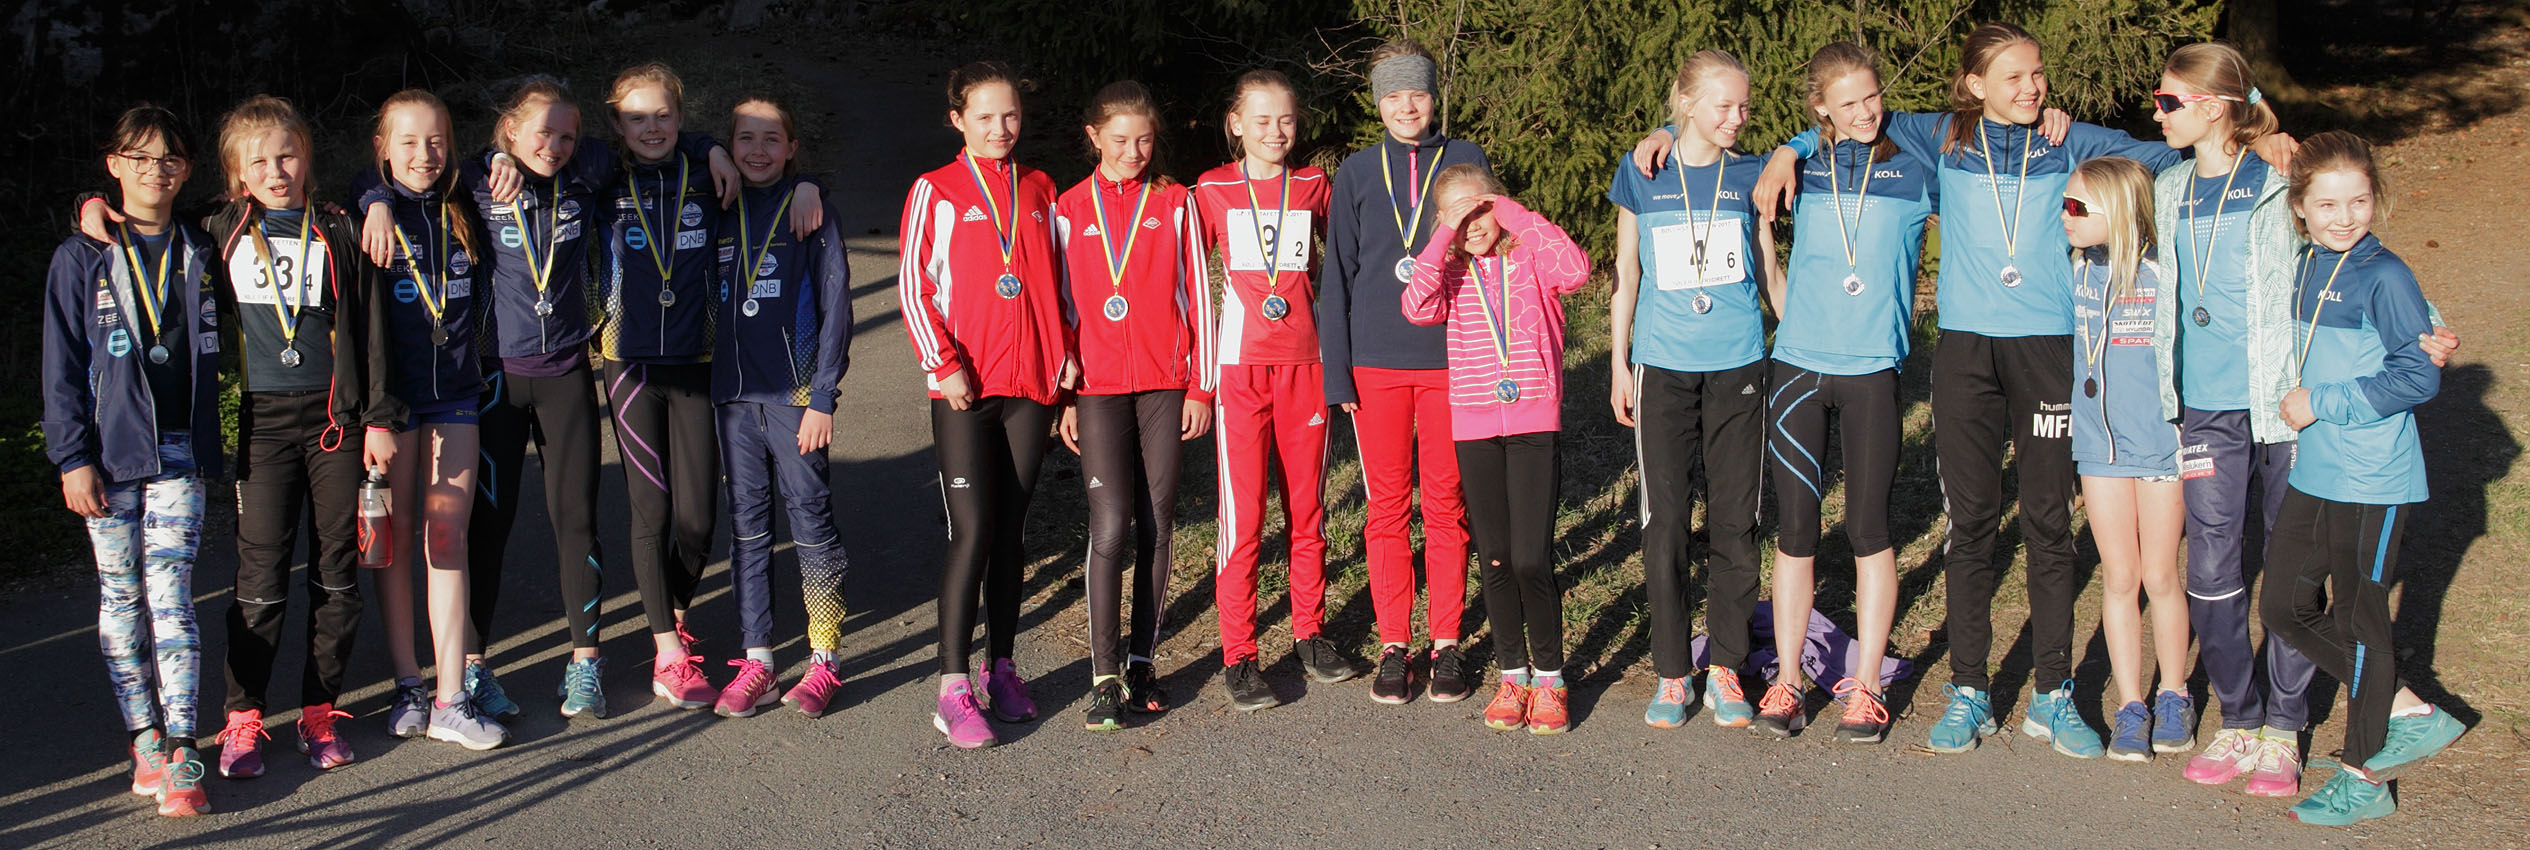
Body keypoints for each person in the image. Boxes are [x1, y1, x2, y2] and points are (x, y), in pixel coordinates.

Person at [2146, 42, 2457, 793]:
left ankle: (2284, 731)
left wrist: (2434, 328)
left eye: (2167, 101)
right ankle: (2239, 718)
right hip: (2201, 406)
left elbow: (2348, 262)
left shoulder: (2280, 182)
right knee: (2211, 568)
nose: (2155, 113)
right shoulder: (2168, 184)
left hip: (2283, 406)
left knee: (2294, 583)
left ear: (2213, 106)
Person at [2259, 131, 2466, 826]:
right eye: (2327, 204)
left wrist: (2320, 402)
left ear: (2376, 198)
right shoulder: (2307, 262)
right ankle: (2404, 708)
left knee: (2359, 618)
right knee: (2284, 607)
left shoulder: (2385, 272)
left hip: (2373, 476)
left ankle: (2364, 775)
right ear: (2299, 207)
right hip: (2319, 468)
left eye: (2359, 201)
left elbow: (2416, 376)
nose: (2344, 217)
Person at [43, 105, 223, 816]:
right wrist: (70, 458)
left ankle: (181, 748)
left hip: (180, 446)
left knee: (172, 597)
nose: (157, 170)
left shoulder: (202, 242)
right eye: (140, 157)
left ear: (187, 167)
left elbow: (262, 198)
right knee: (121, 598)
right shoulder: (79, 256)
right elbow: (61, 367)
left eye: (170, 157)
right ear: (113, 164)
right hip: (107, 454)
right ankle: (143, 737)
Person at [1753, 43, 1924, 744]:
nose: (1865, 111)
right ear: (1820, 106)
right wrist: (1785, 150)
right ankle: (1788, 681)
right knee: (1796, 532)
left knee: (1868, 530)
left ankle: (1867, 686)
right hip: (1798, 369)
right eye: (1847, 102)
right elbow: (1706, 144)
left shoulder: (1916, 166)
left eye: (1872, 96)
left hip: (1872, 371)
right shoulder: (1803, 166)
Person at [1605, 49, 1780, 731]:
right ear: (1686, 103)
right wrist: (1618, 363)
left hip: (1739, 363)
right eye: (1724, 105)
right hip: (1663, 367)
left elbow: (1768, 268)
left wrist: (1797, 347)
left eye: (1744, 106)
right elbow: (1626, 273)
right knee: (1665, 524)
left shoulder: (1752, 173)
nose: (1737, 117)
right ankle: (1674, 671)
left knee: (1737, 521)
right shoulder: (1641, 170)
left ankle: (1728, 667)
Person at [898, 60, 1070, 749]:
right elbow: (913, 285)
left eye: (1011, 115)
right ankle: (952, 687)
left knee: (1010, 533)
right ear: (957, 121)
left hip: (1029, 387)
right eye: (985, 117)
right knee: (971, 531)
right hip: (966, 389)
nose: (1001, 128)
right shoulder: (935, 190)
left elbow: (1058, 281)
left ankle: (1003, 668)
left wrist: (1065, 357)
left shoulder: (1040, 188)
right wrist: (942, 365)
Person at [1322, 38, 1493, 702]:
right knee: (1387, 507)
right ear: (1378, 103)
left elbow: (1492, 253)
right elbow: (1336, 277)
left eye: (1417, 92)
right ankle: (1394, 642)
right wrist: (1338, 373)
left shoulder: (1466, 158)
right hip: (1376, 364)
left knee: (1447, 505)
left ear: (1433, 96)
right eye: (1392, 95)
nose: (1406, 106)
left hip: (1453, 358)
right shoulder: (1357, 172)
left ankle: (1445, 642)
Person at [1402, 165, 1590, 734]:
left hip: (1533, 420)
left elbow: (1576, 270)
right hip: (1475, 426)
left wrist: (1509, 211)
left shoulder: (1530, 255)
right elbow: (1415, 307)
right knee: (1497, 559)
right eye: (1458, 216)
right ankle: (1514, 676)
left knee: (1532, 557)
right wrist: (1444, 233)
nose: (1473, 224)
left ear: (1497, 206)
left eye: (1479, 210)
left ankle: (1550, 679)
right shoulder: (1448, 271)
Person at [1053, 81, 1211, 730]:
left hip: (1165, 384)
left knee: (1157, 523)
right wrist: (1064, 394)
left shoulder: (1175, 203)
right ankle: (1104, 676)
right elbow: (1059, 308)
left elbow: (1199, 295)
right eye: (1119, 140)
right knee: (1111, 525)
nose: (1132, 152)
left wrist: (1201, 386)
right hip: (1095, 387)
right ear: (1094, 136)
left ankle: (1142, 664)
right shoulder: (1067, 208)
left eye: (1144, 140)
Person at [1192, 69, 1342, 710]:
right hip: (1241, 368)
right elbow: (1186, 274)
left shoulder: (1312, 184)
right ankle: (1240, 653)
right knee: (1244, 515)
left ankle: (1311, 631)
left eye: (1285, 119)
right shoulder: (1210, 188)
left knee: (1307, 510)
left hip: (1305, 364)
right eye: (1261, 120)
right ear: (1235, 124)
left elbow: (1350, 260)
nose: (1275, 131)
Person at [709, 96, 856, 718]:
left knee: (811, 519)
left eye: (772, 139)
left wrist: (823, 396)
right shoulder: (716, 204)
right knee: (747, 527)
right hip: (733, 398)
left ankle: (825, 659)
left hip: (797, 399)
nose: (758, 150)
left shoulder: (812, 211)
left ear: (792, 148)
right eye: (746, 138)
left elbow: (836, 306)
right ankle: (759, 660)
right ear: (729, 146)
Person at [364, 90, 499, 748]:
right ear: (382, 148)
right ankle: (407, 683)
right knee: (395, 540)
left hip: (457, 398)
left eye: (437, 140)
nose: (425, 154)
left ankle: (450, 697)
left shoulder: (465, 202)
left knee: (446, 537)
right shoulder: (368, 213)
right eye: (409, 142)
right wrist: (374, 197)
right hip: (394, 406)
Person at [2060, 156, 2189, 762]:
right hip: (2098, 449)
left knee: (2160, 575)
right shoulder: (2076, 268)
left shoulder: (2166, 272)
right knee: (2119, 578)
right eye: (2063, 204)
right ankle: (2131, 705)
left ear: (2118, 211)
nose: (2065, 216)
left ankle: (2174, 693)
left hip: (2160, 446)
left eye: (2077, 207)